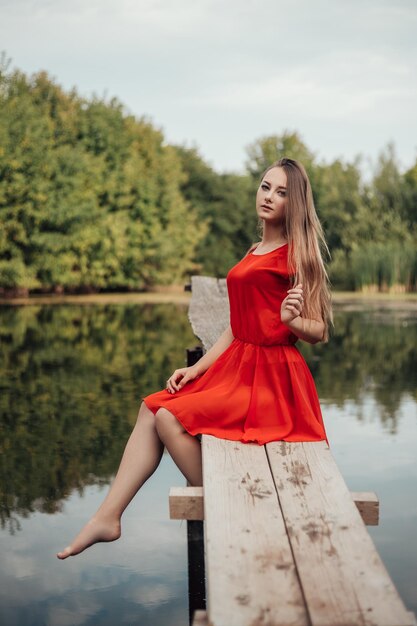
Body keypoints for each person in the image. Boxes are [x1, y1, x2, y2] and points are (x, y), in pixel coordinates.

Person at [57, 157, 333, 560]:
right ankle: (108, 517)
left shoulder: (297, 256)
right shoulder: (255, 249)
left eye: (282, 192)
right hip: (239, 366)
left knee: (169, 418)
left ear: (296, 203)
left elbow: (320, 330)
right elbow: (237, 328)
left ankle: (225, 502)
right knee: (152, 407)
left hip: (273, 380)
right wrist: (196, 368)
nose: (269, 196)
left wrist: (292, 319)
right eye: (265, 186)